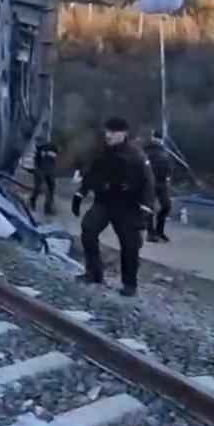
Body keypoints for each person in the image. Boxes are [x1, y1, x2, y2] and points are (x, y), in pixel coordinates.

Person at [70, 117, 155, 297]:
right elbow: (92, 174)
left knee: (130, 245)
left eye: (113, 132)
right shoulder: (102, 153)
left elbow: (148, 183)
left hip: (128, 205)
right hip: (105, 201)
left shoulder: (136, 156)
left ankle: (129, 284)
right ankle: (94, 273)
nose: (108, 135)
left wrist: (146, 208)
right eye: (107, 131)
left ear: (124, 134)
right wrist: (80, 193)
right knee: (88, 229)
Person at [142, 130, 172, 242]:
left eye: (159, 138)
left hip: (162, 182)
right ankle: (150, 233)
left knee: (166, 206)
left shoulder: (164, 151)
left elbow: (169, 165)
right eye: (156, 138)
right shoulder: (147, 150)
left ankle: (159, 231)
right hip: (150, 182)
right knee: (149, 207)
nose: (158, 140)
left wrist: (168, 176)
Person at [30, 139, 59, 215]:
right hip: (40, 170)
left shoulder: (53, 148)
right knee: (38, 188)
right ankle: (32, 201)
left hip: (48, 171)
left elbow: (54, 160)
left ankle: (48, 208)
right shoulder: (40, 149)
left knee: (51, 188)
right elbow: (36, 160)